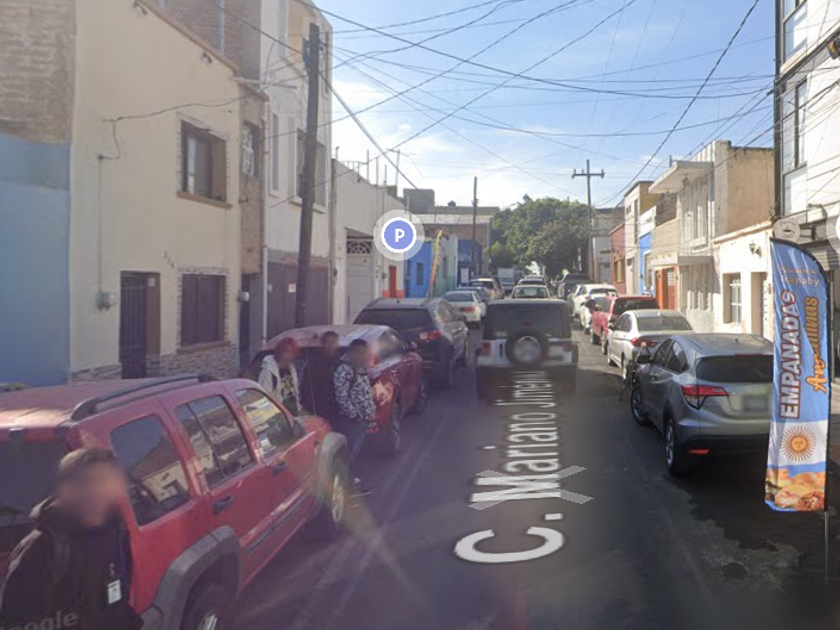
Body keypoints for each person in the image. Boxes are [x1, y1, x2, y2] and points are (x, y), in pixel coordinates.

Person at [0, 447, 143, 630]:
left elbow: (117, 601)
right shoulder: (43, 546)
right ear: (66, 489)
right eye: (87, 482)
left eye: (105, 480)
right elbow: (16, 621)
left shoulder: (116, 531)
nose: (97, 491)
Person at [332, 338, 376, 493]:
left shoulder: (360, 368)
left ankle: (349, 483)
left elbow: (364, 391)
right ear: (353, 352)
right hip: (351, 421)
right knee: (349, 454)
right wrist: (354, 415)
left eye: (365, 352)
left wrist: (369, 411)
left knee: (354, 453)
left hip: (362, 419)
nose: (364, 355)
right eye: (361, 352)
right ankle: (344, 488)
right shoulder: (344, 370)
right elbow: (341, 397)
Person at [301, 330, 342, 417]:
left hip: (338, 410)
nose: (330, 345)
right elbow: (306, 388)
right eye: (328, 342)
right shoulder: (313, 364)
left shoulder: (342, 363)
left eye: (333, 342)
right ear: (323, 344)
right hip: (317, 409)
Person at [259, 337, 304, 416]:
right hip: (276, 415)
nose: (289, 355)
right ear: (279, 352)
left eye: (292, 352)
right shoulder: (268, 371)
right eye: (286, 351)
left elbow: (295, 393)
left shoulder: (292, 370)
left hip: (292, 413)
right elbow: (263, 398)